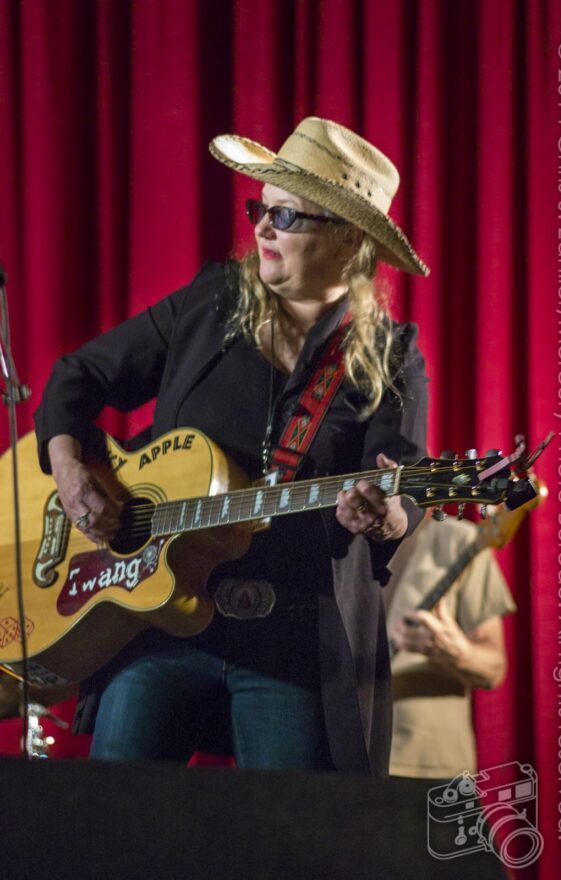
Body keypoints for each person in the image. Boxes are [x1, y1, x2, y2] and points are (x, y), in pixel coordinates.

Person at [34, 117, 429, 774]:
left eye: (287, 216)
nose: (263, 229)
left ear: (349, 240)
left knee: (273, 850)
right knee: (114, 833)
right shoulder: (212, 301)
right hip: (154, 623)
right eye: (261, 210)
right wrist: (72, 472)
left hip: (290, 645)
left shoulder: (390, 357)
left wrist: (385, 515)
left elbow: (404, 483)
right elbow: (80, 376)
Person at [384, 512, 516, 878]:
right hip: (340, 763)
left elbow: (493, 668)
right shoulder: (333, 547)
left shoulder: (459, 540)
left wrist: (452, 649)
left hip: (428, 765)